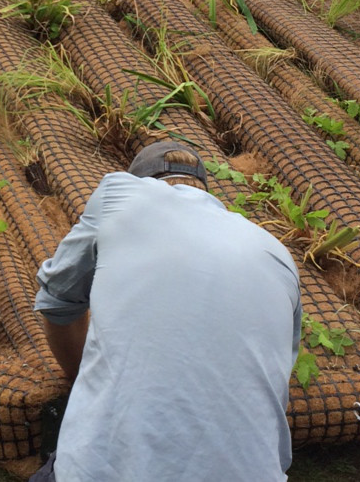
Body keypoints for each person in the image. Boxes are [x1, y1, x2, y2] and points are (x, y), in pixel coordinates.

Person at [31, 142, 301, 482]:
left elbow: (57, 303)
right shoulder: (276, 252)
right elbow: (274, 376)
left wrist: (81, 375)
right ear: (204, 190)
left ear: (142, 181)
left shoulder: (121, 194)